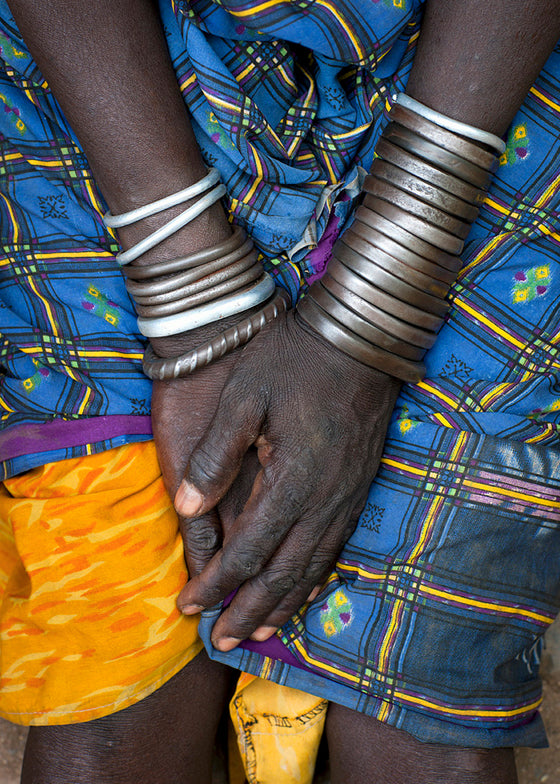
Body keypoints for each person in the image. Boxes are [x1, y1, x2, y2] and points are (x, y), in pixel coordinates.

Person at [0, 0, 559, 782]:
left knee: (425, 736)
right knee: (118, 705)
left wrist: (373, 315)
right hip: (104, 77)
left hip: (490, 77)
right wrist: (191, 290)